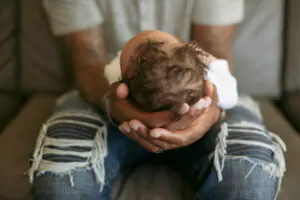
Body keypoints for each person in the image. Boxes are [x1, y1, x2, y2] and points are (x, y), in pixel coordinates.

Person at [29, 1, 286, 200]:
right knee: (61, 183)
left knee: (248, 179)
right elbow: (88, 63)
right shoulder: (116, 76)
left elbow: (215, 58)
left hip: (200, 100)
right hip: (102, 99)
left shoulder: (205, 69)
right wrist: (121, 108)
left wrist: (210, 110)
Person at [108, 30, 238, 131]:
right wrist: (213, 62)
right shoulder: (210, 80)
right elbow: (232, 98)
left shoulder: (130, 88)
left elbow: (108, 71)